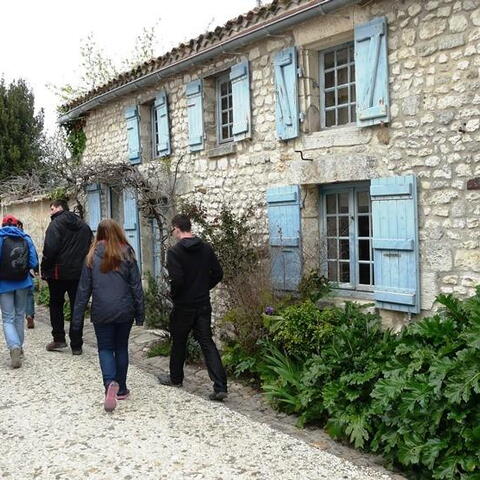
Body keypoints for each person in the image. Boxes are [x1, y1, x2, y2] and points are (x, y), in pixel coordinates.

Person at [72, 219, 144, 412]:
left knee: (105, 348)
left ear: (99, 234)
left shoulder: (91, 256)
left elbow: (83, 290)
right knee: (121, 347)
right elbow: (136, 286)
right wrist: (140, 313)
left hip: (101, 310)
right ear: (118, 232)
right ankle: (121, 388)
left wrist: (76, 319)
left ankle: (109, 383)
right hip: (124, 310)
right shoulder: (127, 253)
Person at [157, 214, 228, 401]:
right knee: (207, 342)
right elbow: (218, 273)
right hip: (203, 302)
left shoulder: (174, 252)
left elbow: (177, 280)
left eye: (172, 230)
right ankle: (220, 386)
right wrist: (204, 287)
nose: (172, 233)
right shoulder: (206, 248)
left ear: (177, 228)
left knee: (179, 341)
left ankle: (176, 378)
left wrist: (175, 295)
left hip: (183, 305)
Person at [41, 199, 92, 355]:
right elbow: (90, 245)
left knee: (56, 305)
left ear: (58, 207)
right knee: (77, 306)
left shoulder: (55, 225)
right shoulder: (84, 226)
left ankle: (59, 339)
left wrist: (45, 268)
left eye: (52, 208)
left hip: (57, 273)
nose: (50, 212)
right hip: (78, 272)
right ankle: (76, 344)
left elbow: (50, 250)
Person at [0, 215, 39, 368]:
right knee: (19, 315)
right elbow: (34, 262)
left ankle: (14, 347)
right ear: (17, 225)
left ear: (3, 225)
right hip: (23, 282)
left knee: (8, 318)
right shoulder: (26, 238)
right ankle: (20, 347)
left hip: (4, 285)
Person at [17, 220, 37, 329]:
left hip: (8, 276)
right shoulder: (26, 238)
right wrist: (35, 269)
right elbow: (34, 259)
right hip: (26, 273)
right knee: (29, 294)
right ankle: (29, 315)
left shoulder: (4, 239)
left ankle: (15, 319)